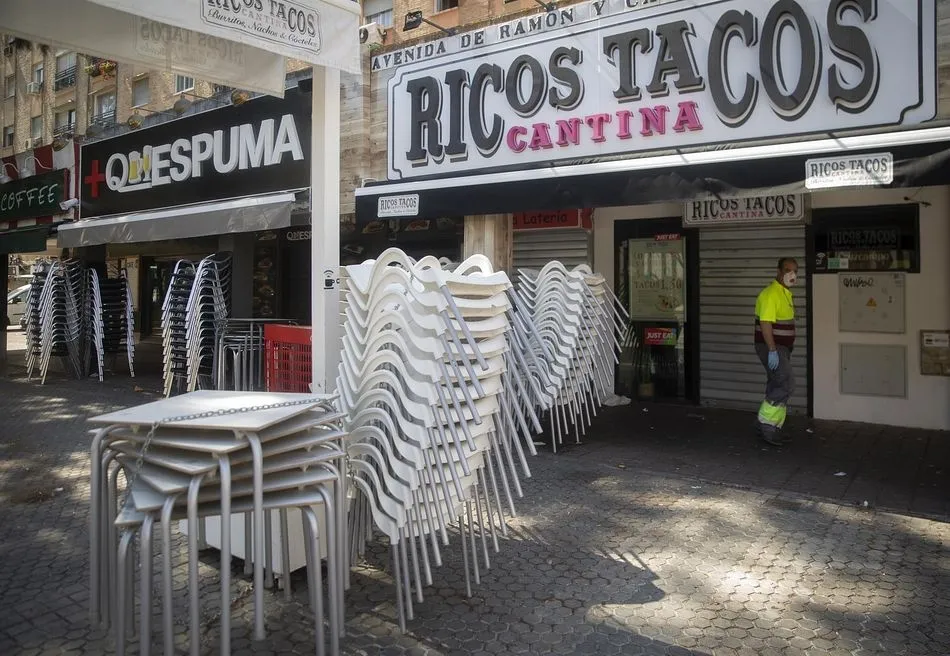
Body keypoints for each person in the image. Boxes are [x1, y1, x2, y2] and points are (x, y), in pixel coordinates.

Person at [753, 257, 798, 446]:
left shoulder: (785, 293)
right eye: (787, 270)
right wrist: (772, 349)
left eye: (795, 270)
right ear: (778, 271)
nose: (792, 274)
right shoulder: (771, 293)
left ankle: (774, 427)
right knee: (785, 384)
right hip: (773, 347)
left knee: (777, 383)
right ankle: (765, 423)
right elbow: (765, 323)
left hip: (782, 348)